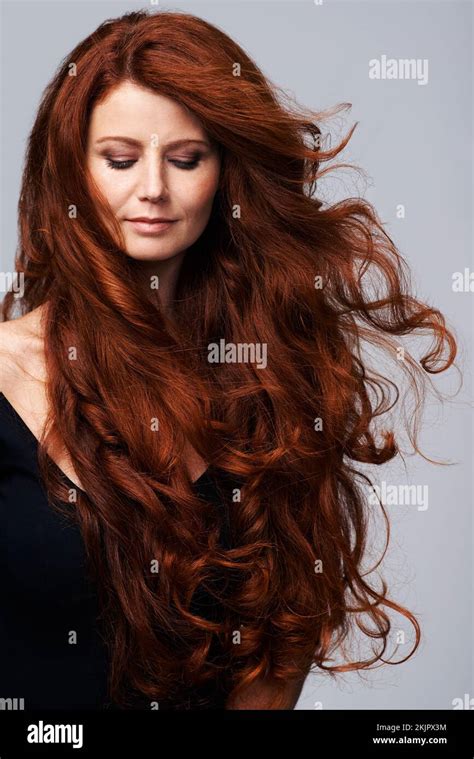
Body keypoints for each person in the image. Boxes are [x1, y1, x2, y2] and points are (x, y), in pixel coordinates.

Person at [0, 9, 458, 710]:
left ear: (226, 173)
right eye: (119, 159)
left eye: (186, 158)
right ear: (70, 169)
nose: (152, 187)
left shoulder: (276, 382)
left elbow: (277, 660)